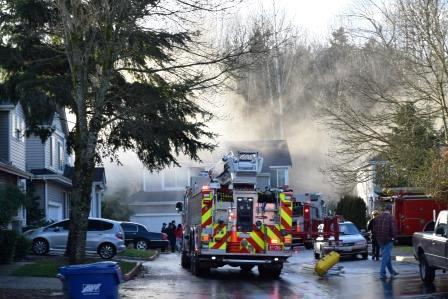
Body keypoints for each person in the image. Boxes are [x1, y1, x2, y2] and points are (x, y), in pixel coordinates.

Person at [373, 204, 399, 279]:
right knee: (385, 256)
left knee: (386, 256)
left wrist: (377, 238)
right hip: (388, 239)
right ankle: (382, 273)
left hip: (379, 240)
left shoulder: (377, 218)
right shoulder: (391, 218)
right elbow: (393, 230)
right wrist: (394, 238)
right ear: (390, 210)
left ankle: (392, 272)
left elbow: (374, 230)